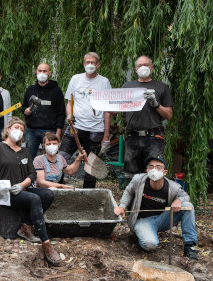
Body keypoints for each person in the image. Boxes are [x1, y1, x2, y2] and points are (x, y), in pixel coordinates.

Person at [0, 117, 63, 266]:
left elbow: (32, 174)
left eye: (22, 129)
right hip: (4, 193)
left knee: (48, 194)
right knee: (34, 199)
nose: (19, 131)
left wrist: (21, 184)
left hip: (21, 190)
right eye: (16, 127)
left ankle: (26, 225)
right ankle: (46, 243)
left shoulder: (24, 151)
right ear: (8, 130)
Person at [114, 157, 198, 259]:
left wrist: (178, 200)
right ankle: (139, 234)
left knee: (188, 206)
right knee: (150, 245)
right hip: (142, 221)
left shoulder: (172, 187)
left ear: (165, 172)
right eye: (151, 167)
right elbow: (128, 191)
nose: (154, 170)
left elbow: (185, 196)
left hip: (163, 219)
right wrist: (122, 206)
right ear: (147, 170)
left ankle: (190, 247)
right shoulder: (138, 180)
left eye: (158, 167)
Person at [59, 52, 112, 188]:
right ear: (83, 64)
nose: (90, 65)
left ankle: (88, 195)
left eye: (93, 62)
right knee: (61, 157)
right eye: (87, 62)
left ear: (98, 65)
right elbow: (70, 102)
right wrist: (69, 115)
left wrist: (106, 135)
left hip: (95, 130)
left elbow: (107, 109)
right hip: (75, 127)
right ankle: (56, 186)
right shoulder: (76, 79)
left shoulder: (104, 82)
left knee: (91, 165)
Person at [121, 55, 173, 185]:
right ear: (135, 69)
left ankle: (151, 202)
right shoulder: (127, 86)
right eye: (140, 65)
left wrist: (156, 104)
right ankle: (132, 204)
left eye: (146, 65)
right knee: (131, 176)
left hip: (153, 138)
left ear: (152, 67)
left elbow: (169, 115)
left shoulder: (161, 87)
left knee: (154, 174)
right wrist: (97, 100)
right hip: (132, 137)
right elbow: (114, 110)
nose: (143, 68)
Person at [21, 63, 66, 159]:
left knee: (51, 158)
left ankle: (50, 174)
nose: (42, 73)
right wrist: (26, 110)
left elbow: (61, 113)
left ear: (49, 73)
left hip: (50, 131)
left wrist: (58, 132)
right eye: (40, 71)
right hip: (31, 131)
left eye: (45, 71)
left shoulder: (56, 91)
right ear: (36, 72)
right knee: (29, 158)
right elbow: (23, 106)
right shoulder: (30, 90)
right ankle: (31, 174)